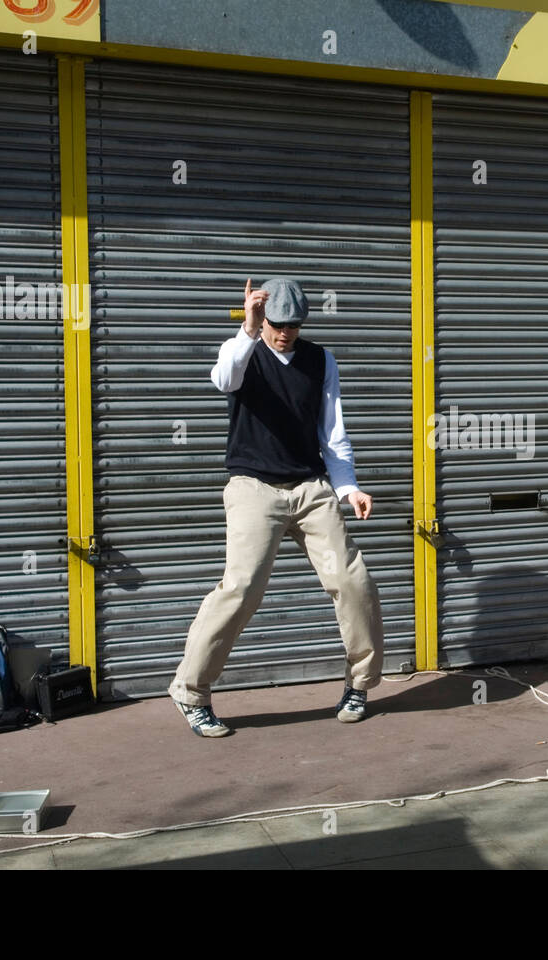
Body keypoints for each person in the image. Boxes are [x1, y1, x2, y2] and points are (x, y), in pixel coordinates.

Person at [167, 278, 384, 737]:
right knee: (241, 589)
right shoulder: (244, 351)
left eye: (294, 325)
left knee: (353, 580)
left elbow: (333, 432)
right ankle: (191, 692)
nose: (285, 333)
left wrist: (349, 490)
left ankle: (360, 685)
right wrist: (247, 330)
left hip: (309, 487)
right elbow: (222, 379)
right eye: (277, 324)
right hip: (254, 486)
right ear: (262, 318)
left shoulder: (320, 360)